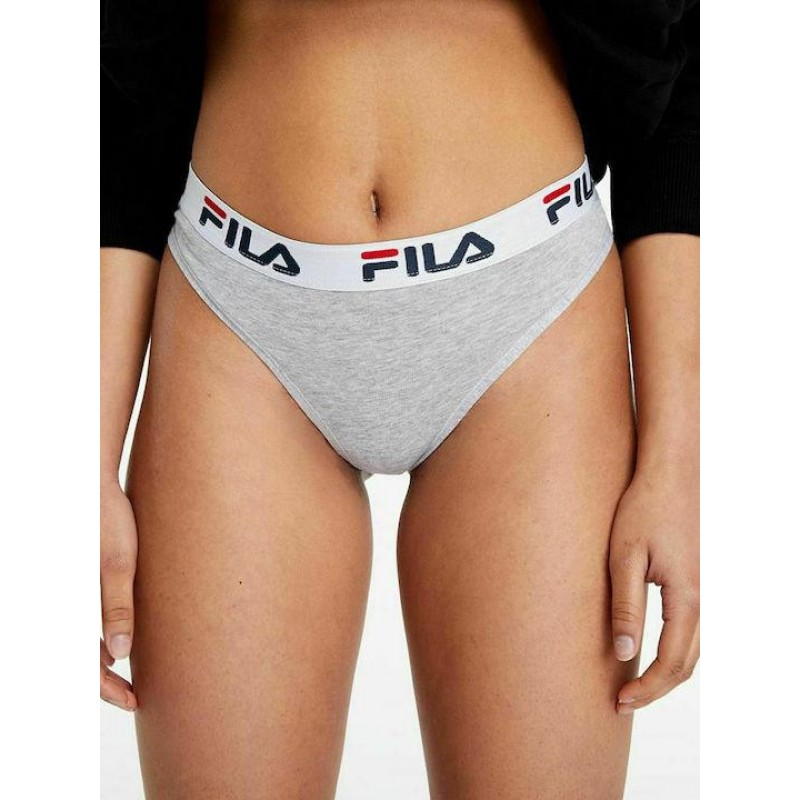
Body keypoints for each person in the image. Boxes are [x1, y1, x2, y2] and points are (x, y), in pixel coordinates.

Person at [100, 1, 699, 796]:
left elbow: (681, 67)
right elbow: (125, 103)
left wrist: (677, 461)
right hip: (238, 315)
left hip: (530, 312)